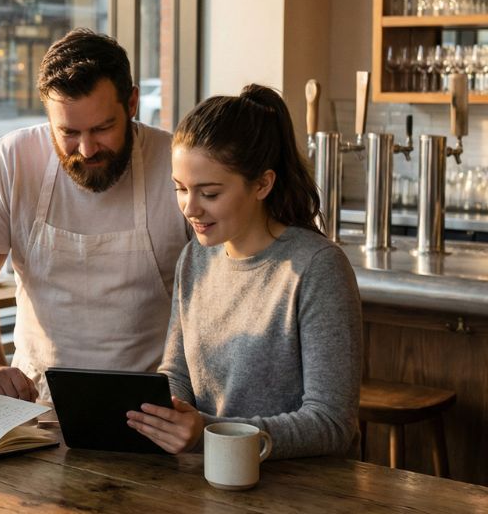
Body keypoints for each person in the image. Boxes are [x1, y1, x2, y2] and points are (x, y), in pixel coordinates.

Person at [126, 84, 362, 459]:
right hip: (206, 479)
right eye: (180, 189)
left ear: (262, 184)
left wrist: (210, 433)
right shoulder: (194, 259)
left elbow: (331, 424)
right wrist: (169, 417)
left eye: (210, 193)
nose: (190, 208)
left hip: (300, 491)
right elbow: (178, 373)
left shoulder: (317, 268)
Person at [0, 29, 190, 402]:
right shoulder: (15, 157)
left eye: (103, 128)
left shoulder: (176, 163)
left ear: (133, 103)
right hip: (35, 405)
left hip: (154, 404)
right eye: (69, 132)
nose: (87, 149)